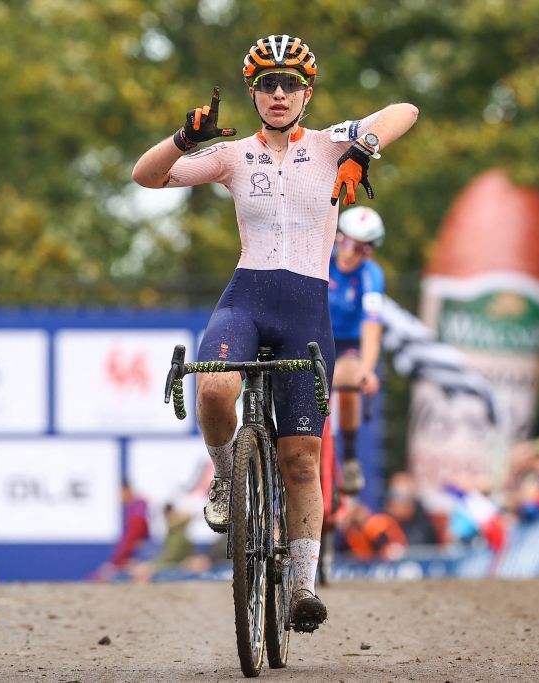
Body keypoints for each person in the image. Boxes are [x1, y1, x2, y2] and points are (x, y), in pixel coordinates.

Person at [132, 33, 418, 631]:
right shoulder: (233, 155)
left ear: (307, 93)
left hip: (305, 311)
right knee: (212, 389)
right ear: (254, 93)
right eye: (268, 83)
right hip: (248, 297)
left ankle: (302, 588)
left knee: (301, 460)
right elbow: (146, 177)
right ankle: (226, 473)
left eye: (291, 83)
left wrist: (362, 149)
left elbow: (404, 112)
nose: (280, 92)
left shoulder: (331, 142)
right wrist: (186, 137)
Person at [327, 206, 386, 495]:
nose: (350, 253)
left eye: (361, 248)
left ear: (370, 253)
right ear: (337, 238)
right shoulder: (321, 260)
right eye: (346, 242)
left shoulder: (371, 275)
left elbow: (371, 326)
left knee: (350, 379)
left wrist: (367, 369)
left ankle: (349, 457)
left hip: (348, 345)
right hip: (314, 337)